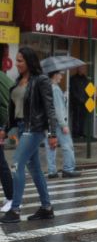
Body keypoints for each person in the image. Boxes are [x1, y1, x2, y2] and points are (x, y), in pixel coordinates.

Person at [1, 46, 58, 223]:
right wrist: (4, 129)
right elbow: (13, 110)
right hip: (20, 127)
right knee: (35, 170)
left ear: (29, 61)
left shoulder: (41, 80)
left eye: (20, 61)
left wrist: (52, 133)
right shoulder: (18, 81)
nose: (16, 64)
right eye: (16, 60)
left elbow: (50, 108)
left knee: (16, 164)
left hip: (34, 129)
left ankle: (15, 209)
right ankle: (46, 208)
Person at [46, 70, 81, 179]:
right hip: (58, 123)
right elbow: (58, 109)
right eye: (60, 74)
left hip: (49, 123)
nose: (61, 76)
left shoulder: (47, 88)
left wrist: (64, 97)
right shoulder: (55, 89)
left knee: (51, 146)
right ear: (55, 75)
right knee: (67, 145)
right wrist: (64, 124)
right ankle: (68, 169)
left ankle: (52, 171)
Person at [0, 69, 13, 213]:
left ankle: (12, 197)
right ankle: (11, 196)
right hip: (3, 122)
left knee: (1, 163)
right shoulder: (3, 76)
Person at [69, 65, 89, 138]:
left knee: (83, 118)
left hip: (84, 102)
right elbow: (72, 91)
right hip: (76, 103)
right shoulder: (73, 79)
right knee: (76, 118)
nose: (83, 70)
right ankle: (75, 133)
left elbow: (89, 90)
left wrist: (86, 99)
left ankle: (81, 132)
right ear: (78, 69)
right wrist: (79, 98)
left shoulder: (86, 79)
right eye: (81, 68)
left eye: (84, 68)